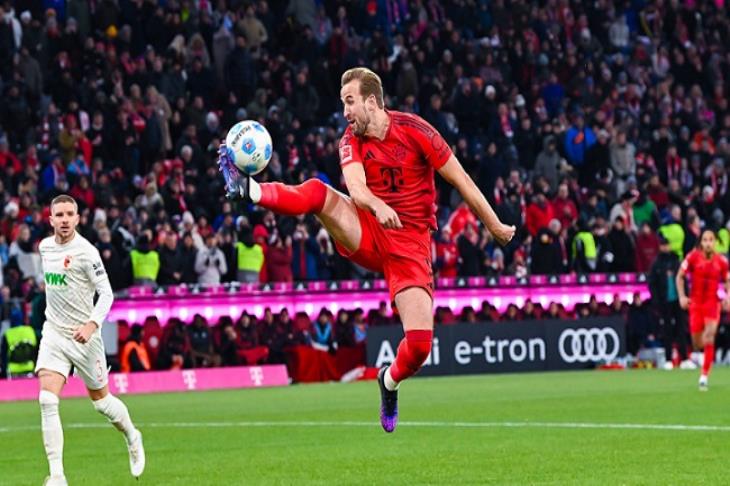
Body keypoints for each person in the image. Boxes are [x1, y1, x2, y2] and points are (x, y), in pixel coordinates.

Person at [218, 67, 515, 432]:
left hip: (411, 245)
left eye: (350, 102)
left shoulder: (418, 131)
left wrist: (494, 224)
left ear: (371, 101)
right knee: (318, 192)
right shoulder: (351, 140)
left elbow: (462, 179)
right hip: (368, 230)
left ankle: (388, 381)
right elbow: (356, 188)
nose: (345, 112)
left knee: (420, 345)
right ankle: (250, 190)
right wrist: (377, 206)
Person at [34, 195, 145, 485]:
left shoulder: (87, 252)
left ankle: (133, 436)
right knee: (47, 399)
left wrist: (91, 324)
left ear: (78, 218)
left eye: (70, 214)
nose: (65, 219)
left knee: (101, 402)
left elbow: (107, 294)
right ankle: (57, 476)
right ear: (51, 220)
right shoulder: (44, 248)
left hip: (85, 338)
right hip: (55, 333)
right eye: (59, 215)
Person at [676, 230, 730, 391]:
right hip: (695, 304)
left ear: (715, 242)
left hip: (712, 303)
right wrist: (682, 297)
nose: (708, 243)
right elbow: (679, 276)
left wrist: (728, 297)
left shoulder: (722, 261)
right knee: (697, 342)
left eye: (711, 240)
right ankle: (702, 359)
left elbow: (728, 280)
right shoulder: (692, 257)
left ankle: (704, 375)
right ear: (701, 242)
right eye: (705, 240)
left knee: (709, 335)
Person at [648, 236, 687, 368]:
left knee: (681, 329)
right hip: (665, 302)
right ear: (660, 247)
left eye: (667, 245)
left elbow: (683, 280)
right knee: (667, 331)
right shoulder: (657, 264)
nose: (665, 247)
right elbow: (652, 284)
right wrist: (656, 300)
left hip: (678, 300)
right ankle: (668, 359)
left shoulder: (676, 261)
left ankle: (685, 359)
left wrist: (685, 296)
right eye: (663, 245)